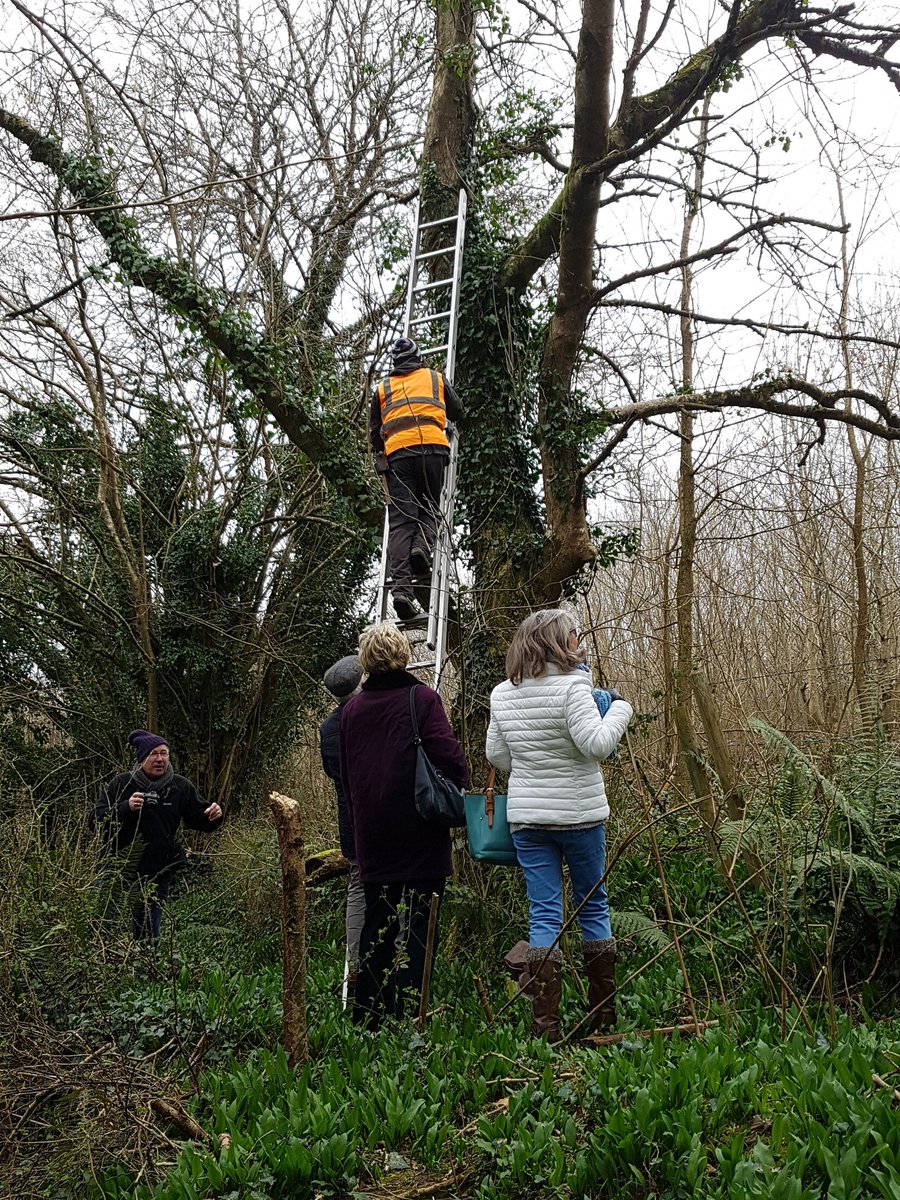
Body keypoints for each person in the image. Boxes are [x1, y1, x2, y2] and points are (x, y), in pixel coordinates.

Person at [486, 610, 632, 1043]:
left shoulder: (502, 693)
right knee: (593, 907)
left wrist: (532, 769)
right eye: (574, 634)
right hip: (579, 817)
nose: (579, 640)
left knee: (544, 915)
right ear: (557, 642)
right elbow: (598, 744)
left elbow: (498, 755)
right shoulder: (574, 686)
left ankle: (546, 1028)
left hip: (528, 821)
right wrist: (621, 709)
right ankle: (603, 1018)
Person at [339, 621, 468, 1029]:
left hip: (373, 834)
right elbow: (448, 758)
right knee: (418, 928)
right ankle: (412, 1013)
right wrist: (460, 786)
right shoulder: (422, 699)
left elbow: (346, 775)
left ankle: (368, 1018)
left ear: (365, 661)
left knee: (377, 925)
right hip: (420, 831)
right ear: (402, 654)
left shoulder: (351, 711)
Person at [370, 337, 464, 621]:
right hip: (433, 450)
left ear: (394, 364)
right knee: (430, 508)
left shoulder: (383, 389)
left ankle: (401, 592)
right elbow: (458, 411)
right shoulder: (435, 379)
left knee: (400, 523)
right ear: (418, 357)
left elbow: (375, 433)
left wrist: (381, 454)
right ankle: (421, 549)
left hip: (398, 457)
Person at [95, 731, 223, 940]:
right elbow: (96, 819)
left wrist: (215, 815)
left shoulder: (179, 786)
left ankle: (146, 968)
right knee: (104, 925)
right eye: (153, 754)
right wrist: (125, 807)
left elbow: (198, 820)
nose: (160, 759)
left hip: (157, 871)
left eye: (164, 753)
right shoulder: (122, 784)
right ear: (141, 758)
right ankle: (104, 964)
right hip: (117, 868)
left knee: (147, 931)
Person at [319, 654, 367, 1001]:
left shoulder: (327, 729)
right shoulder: (372, 716)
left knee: (358, 889)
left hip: (350, 824)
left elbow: (330, 772)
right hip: (381, 821)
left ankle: (354, 972)